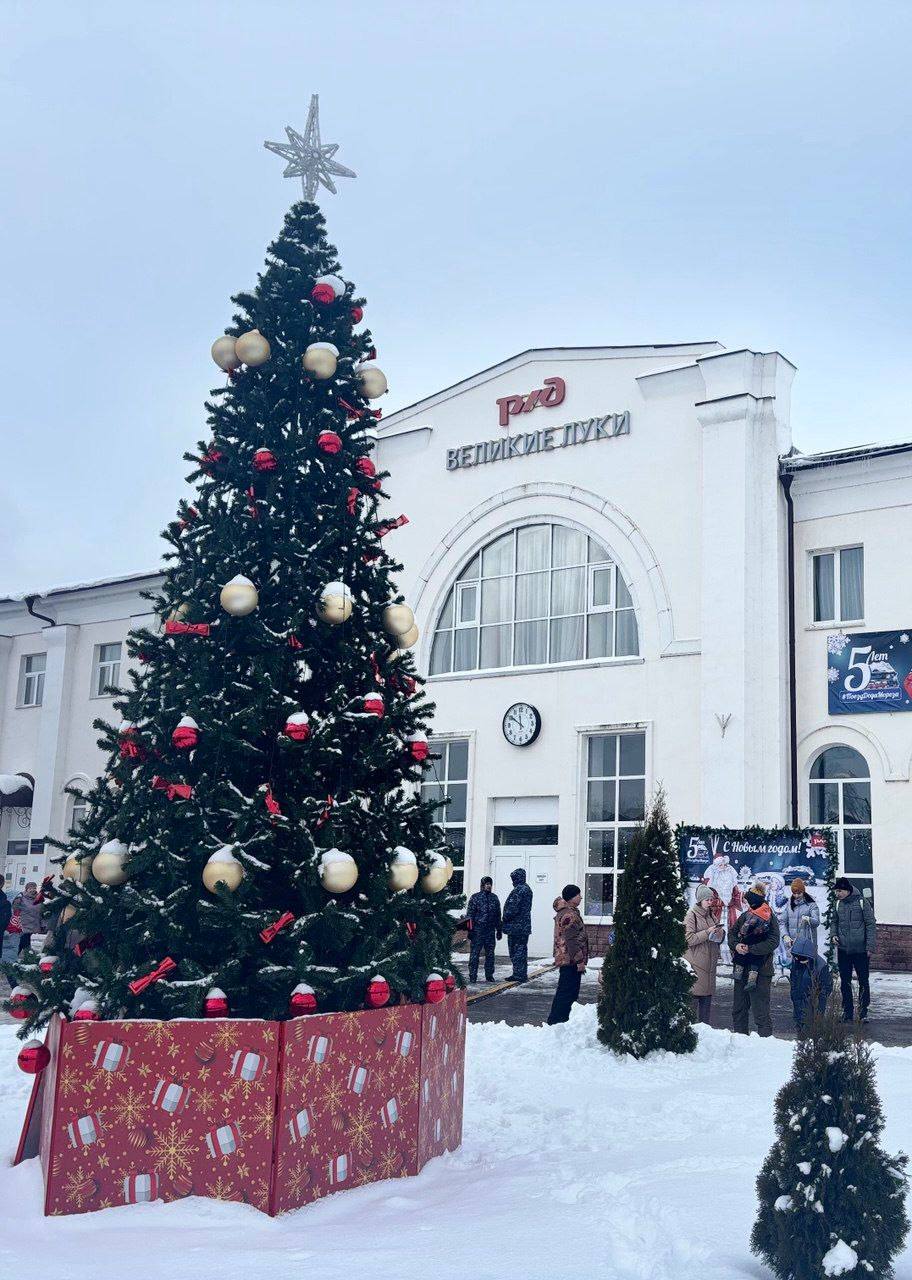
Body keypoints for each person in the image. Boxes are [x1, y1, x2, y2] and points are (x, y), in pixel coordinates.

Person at [728, 883, 780, 1037]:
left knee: (761, 1011)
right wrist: (737, 946)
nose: (748, 904)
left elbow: (773, 941)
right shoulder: (745, 916)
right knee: (739, 1009)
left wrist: (751, 949)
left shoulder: (770, 917)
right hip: (741, 969)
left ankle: (764, 1045)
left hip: (761, 971)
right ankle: (739, 1040)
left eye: (750, 901)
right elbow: (732, 934)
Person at [834, 876, 876, 1022]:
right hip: (843, 949)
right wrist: (834, 935)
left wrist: (870, 946)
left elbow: (870, 924)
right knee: (845, 981)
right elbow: (835, 922)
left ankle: (863, 1012)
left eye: (840, 891)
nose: (837, 894)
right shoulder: (838, 904)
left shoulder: (862, 902)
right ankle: (847, 1012)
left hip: (861, 950)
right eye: (836, 891)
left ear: (847, 890)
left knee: (863, 981)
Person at [547, 884, 589, 1025]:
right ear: (571, 897)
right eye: (578, 895)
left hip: (568, 958)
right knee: (567, 991)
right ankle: (557, 1020)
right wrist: (579, 961)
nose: (581, 897)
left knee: (568, 991)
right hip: (569, 959)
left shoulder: (568, 912)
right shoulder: (569, 915)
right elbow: (571, 940)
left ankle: (562, 1019)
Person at [684, 884, 724, 1024]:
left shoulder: (711, 915)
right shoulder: (691, 916)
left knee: (706, 1013)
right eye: (707, 899)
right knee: (692, 1008)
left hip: (709, 967)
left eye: (711, 899)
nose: (710, 902)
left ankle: (705, 1038)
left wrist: (720, 933)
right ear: (700, 900)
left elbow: (717, 937)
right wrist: (707, 932)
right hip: (696, 966)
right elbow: (688, 939)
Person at [789, 932, 833, 1030]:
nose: (797, 959)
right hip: (800, 998)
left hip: (813, 1000)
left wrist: (819, 1015)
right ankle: (800, 1023)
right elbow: (794, 984)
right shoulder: (797, 962)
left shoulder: (821, 967)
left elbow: (825, 991)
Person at [465, 876, 502, 983]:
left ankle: (489, 975)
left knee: (490, 954)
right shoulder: (475, 898)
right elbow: (470, 915)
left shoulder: (494, 898)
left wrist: (499, 930)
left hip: (490, 931)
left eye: (490, 884)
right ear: (482, 885)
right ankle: (472, 976)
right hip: (478, 931)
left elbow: (498, 915)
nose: (489, 886)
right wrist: (470, 930)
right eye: (486, 884)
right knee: (475, 954)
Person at [501, 867, 533, 982]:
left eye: (513, 878)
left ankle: (519, 974)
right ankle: (520, 973)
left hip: (516, 927)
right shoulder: (527, 889)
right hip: (523, 926)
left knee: (516, 951)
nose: (512, 881)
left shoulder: (519, 890)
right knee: (521, 950)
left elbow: (512, 909)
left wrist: (504, 918)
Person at [780, 877, 821, 954]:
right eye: (794, 893)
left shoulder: (811, 904)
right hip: (792, 944)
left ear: (803, 891)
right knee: (793, 965)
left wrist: (808, 919)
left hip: (807, 945)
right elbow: (782, 923)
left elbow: (817, 922)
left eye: (799, 893)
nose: (796, 895)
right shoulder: (789, 904)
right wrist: (785, 936)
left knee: (807, 965)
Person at [12, 882, 43, 955]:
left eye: (34, 888)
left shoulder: (38, 898)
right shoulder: (21, 897)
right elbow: (15, 908)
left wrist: (42, 924)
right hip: (24, 924)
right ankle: (20, 957)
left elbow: (41, 911)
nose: (33, 890)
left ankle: (23, 958)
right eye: (30, 888)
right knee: (23, 942)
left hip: (34, 924)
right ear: (26, 889)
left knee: (26, 942)